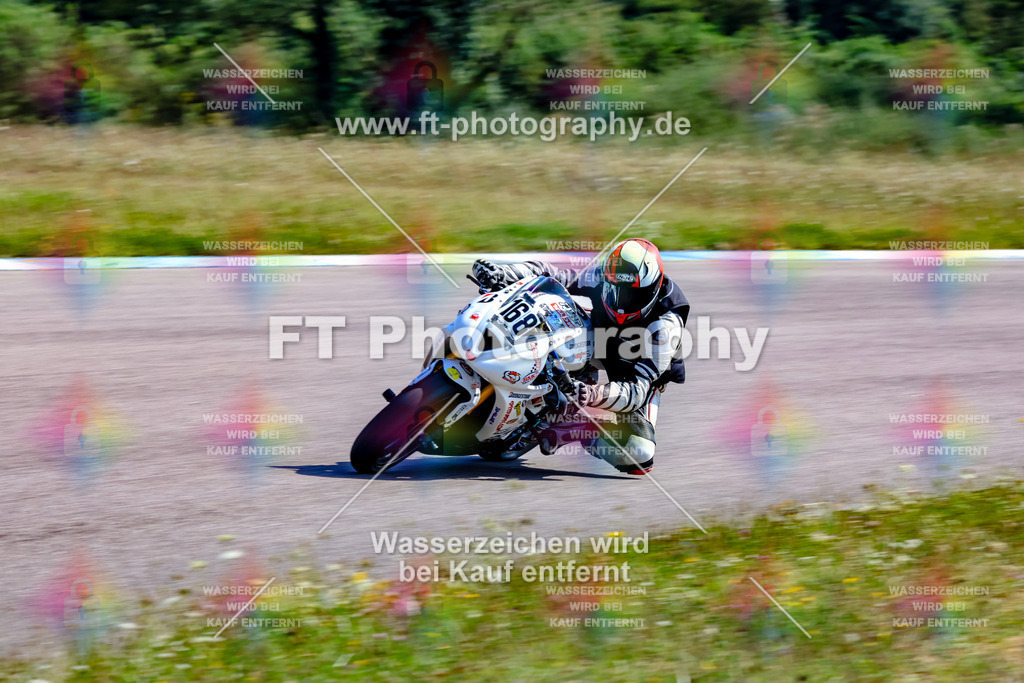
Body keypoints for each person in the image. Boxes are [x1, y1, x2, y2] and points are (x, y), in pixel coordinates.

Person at [471, 238, 688, 475]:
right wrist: (504, 273)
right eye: (615, 291)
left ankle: (567, 428)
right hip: (599, 339)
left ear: (654, 289)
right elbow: (549, 274)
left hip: (636, 370)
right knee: (552, 310)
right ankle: (519, 380)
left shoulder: (666, 325)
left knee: (639, 454)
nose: (622, 304)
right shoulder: (603, 275)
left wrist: (592, 395)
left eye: (632, 296)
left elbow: (637, 392)